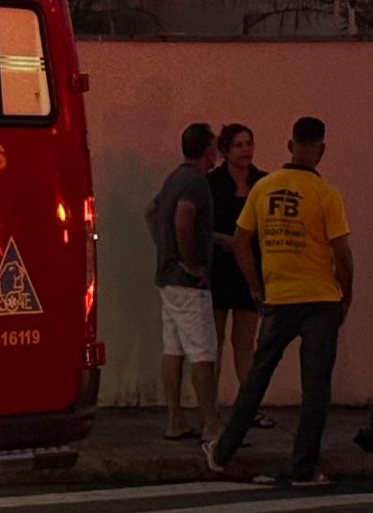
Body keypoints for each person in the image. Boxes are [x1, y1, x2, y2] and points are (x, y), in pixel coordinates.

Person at [203, 116, 352, 487]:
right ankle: (303, 467)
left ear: (290, 145)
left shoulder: (264, 187)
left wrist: (256, 286)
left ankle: (223, 451)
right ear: (322, 149)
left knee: (256, 378)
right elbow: (343, 254)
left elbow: (240, 242)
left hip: (279, 298)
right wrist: (345, 297)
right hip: (321, 300)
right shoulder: (326, 194)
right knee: (316, 387)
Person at [145, 121, 219, 442]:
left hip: (166, 277)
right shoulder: (196, 183)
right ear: (208, 149)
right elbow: (183, 219)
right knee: (202, 352)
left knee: (173, 349)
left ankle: (175, 420)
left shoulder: (174, 177)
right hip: (187, 283)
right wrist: (192, 263)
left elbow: (151, 210)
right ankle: (212, 424)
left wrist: (165, 248)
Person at [208, 122, 274, 431]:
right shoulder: (213, 184)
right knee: (216, 340)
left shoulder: (262, 182)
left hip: (249, 269)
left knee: (245, 342)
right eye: (239, 145)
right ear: (225, 150)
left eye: (249, 143)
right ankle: (213, 407)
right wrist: (226, 241)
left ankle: (249, 406)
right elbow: (201, 227)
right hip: (220, 268)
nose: (246, 149)